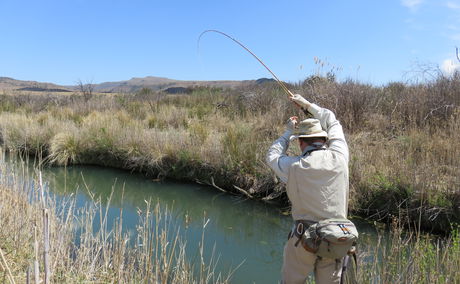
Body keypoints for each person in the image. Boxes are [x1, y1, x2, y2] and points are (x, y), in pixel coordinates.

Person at [266, 94, 349, 284]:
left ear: (300, 142)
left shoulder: (294, 166)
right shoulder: (340, 156)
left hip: (303, 239)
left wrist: (287, 132)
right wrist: (306, 104)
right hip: (337, 239)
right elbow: (332, 121)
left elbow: (272, 156)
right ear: (324, 139)